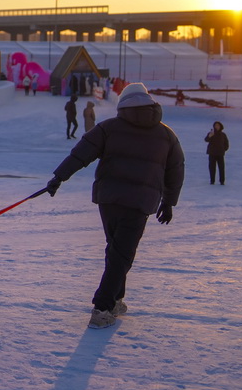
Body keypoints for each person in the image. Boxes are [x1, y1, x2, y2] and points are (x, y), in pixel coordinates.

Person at [44, 82, 185, 329]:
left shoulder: (108, 128)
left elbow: (81, 154)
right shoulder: (166, 135)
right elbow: (176, 170)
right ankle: (102, 308)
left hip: (109, 199)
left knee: (117, 251)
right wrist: (169, 202)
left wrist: (59, 177)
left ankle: (116, 299)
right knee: (121, 253)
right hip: (140, 202)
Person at [205, 121, 229, 185]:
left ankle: (222, 181)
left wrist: (224, 149)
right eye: (215, 125)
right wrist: (210, 136)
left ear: (220, 126)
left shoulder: (223, 135)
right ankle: (212, 180)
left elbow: (226, 143)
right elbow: (206, 140)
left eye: (218, 125)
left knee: (221, 168)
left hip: (220, 154)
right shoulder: (211, 133)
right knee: (212, 168)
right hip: (212, 153)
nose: (217, 127)